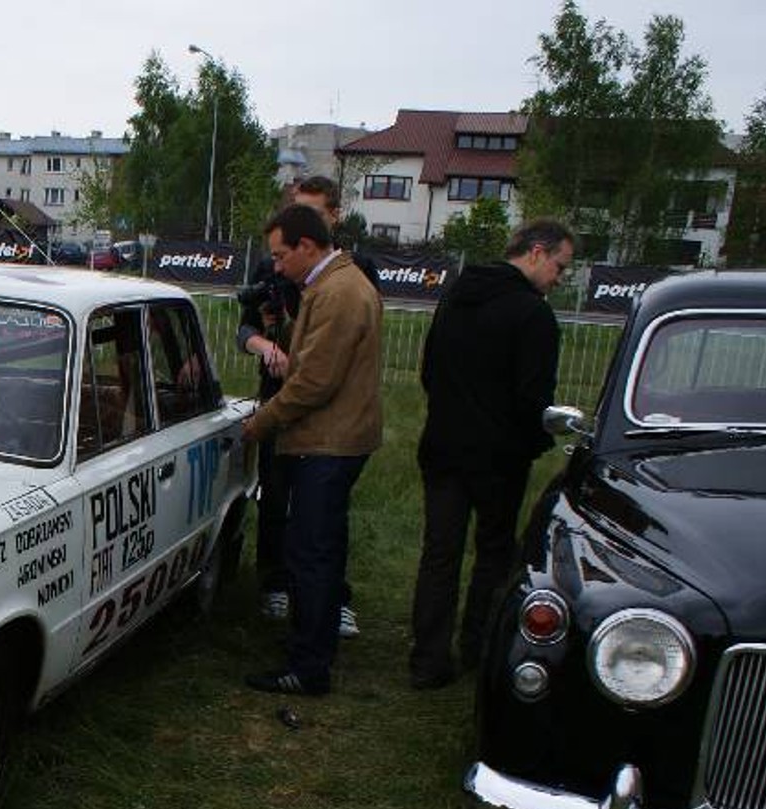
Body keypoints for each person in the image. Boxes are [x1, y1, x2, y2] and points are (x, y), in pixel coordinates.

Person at [408, 219, 576, 690]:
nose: (560, 278)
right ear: (537, 253)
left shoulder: (458, 295)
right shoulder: (534, 316)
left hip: (444, 447)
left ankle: (428, 658)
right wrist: (535, 440)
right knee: (494, 555)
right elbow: (532, 400)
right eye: (560, 266)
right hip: (500, 460)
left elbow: (429, 371)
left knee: (439, 554)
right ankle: (479, 649)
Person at [241, 203, 383, 696]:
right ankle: (310, 649)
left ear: (307, 246)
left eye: (281, 256)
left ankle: (307, 666)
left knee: (311, 552)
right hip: (334, 437)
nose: (276, 266)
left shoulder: (340, 293)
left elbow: (313, 384)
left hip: (330, 441)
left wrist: (261, 423)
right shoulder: (331, 285)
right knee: (316, 548)